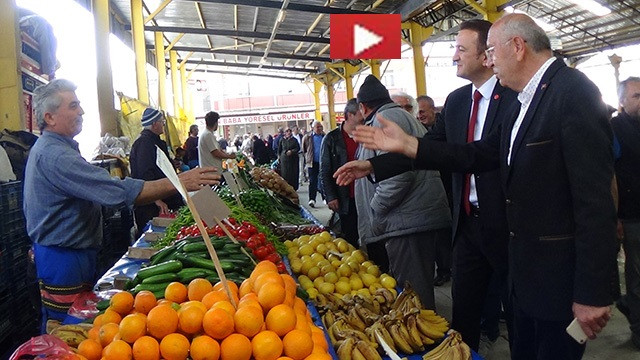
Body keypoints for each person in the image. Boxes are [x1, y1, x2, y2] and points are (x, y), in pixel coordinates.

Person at [335, 14, 617, 359]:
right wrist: (409, 146)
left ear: (517, 47)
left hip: (555, 274)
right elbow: (480, 154)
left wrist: (594, 290)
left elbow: (595, 201)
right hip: (524, 269)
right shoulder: (526, 100)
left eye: (493, 51)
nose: (489, 60)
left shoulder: (572, 93)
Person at [24, 79, 219, 330]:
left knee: (73, 325)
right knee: (65, 332)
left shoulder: (58, 149)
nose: (81, 111)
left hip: (69, 253)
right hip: (62, 259)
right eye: (73, 106)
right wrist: (179, 181)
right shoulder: (56, 156)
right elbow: (115, 191)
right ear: (50, 117)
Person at [420, 19, 518, 352]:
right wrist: (375, 162)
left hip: (508, 228)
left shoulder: (515, 99)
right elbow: (431, 147)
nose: (454, 57)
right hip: (467, 225)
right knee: (463, 317)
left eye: (461, 49)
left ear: (487, 55)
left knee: (518, 316)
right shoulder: (458, 100)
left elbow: (480, 154)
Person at [354, 75, 451, 308]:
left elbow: (398, 176)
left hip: (407, 221)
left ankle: (424, 342)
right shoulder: (397, 116)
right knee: (416, 289)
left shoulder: (384, 120)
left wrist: (375, 209)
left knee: (413, 294)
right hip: (412, 218)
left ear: (363, 107)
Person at [611, 76, 640, 350]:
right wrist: (616, 216)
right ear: (621, 101)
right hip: (632, 216)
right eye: (637, 96)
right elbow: (610, 176)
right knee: (637, 275)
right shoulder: (615, 129)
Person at [129, 108, 185, 238]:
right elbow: (145, 174)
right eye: (162, 122)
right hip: (152, 207)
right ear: (154, 124)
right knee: (155, 239)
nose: (164, 124)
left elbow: (157, 166)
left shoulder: (155, 142)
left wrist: (171, 164)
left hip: (164, 199)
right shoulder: (144, 144)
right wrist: (157, 199)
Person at [319, 99, 363, 248]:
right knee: (349, 237)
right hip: (346, 197)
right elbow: (325, 170)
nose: (364, 116)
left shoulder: (368, 134)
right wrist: (330, 196)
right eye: (360, 112)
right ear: (350, 115)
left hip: (367, 195)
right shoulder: (331, 139)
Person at [302, 121, 326, 207]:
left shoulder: (325, 136)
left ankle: (325, 198)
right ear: (312, 128)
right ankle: (312, 199)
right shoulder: (307, 137)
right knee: (313, 181)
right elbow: (304, 149)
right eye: (317, 127)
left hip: (323, 162)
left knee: (324, 180)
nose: (319, 128)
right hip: (312, 162)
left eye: (320, 127)